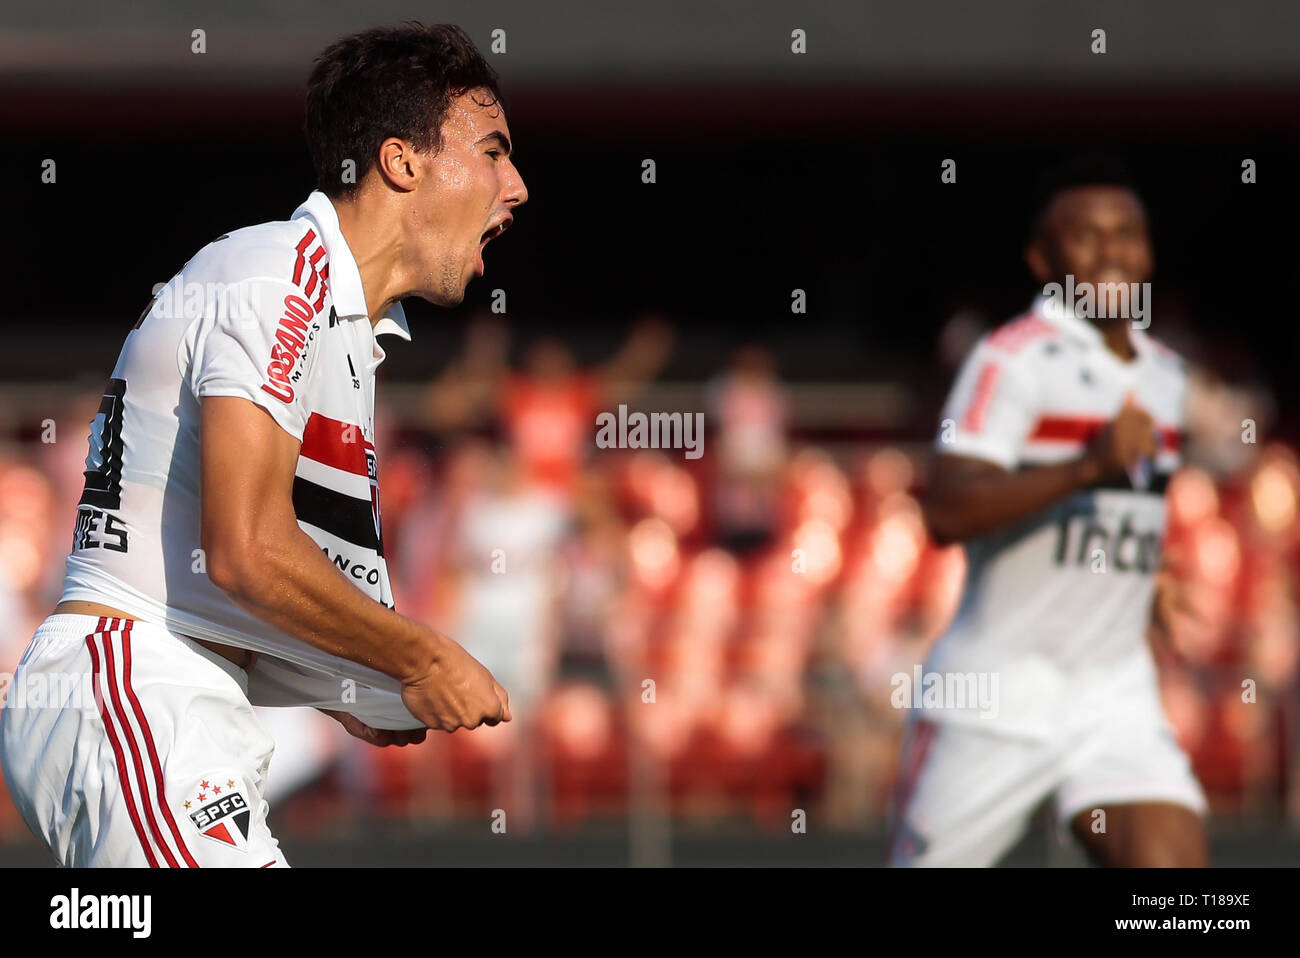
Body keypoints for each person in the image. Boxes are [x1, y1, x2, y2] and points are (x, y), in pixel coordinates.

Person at [0, 22, 526, 867]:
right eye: (494, 151)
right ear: (402, 161)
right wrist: (420, 656)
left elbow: (268, 594)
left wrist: (365, 684)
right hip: (136, 690)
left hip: (174, 705)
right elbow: (245, 552)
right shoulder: (279, 273)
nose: (518, 186)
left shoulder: (346, 329)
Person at [890, 157, 1209, 867]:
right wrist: (1085, 466)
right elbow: (945, 510)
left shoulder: (1165, 375)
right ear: (1042, 258)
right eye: (1085, 236)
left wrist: (1144, 578)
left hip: (1112, 691)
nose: (1111, 253)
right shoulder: (1012, 361)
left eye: (1127, 233)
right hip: (995, 695)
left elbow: (1129, 506)